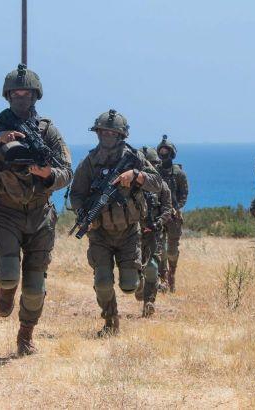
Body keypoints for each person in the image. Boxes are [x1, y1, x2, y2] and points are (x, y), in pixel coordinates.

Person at [0, 64, 73, 355]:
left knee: (35, 286)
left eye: (27, 92)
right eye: (16, 93)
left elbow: (66, 172)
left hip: (40, 213)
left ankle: (25, 336)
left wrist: (48, 175)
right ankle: (7, 289)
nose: (22, 97)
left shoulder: (48, 131)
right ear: (8, 95)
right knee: (9, 274)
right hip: (6, 211)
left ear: (36, 95)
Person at [69, 109, 163, 336]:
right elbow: (76, 194)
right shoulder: (90, 162)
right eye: (104, 132)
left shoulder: (135, 158)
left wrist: (136, 176)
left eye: (113, 133)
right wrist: (83, 215)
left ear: (121, 135)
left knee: (129, 285)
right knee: (102, 282)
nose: (108, 136)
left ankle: (140, 282)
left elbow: (157, 183)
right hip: (100, 233)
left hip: (129, 231)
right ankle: (111, 323)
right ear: (98, 133)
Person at [134, 147, 172, 317]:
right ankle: (139, 287)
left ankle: (149, 302)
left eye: (155, 164)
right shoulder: (133, 185)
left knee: (152, 267)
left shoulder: (162, 186)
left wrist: (157, 223)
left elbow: (167, 209)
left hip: (154, 233)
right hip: (133, 234)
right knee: (133, 268)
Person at [155, 135, 188, 293]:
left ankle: (172, 276)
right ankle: (163, 279)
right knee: (159, 249)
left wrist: (177, 208)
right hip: (159, 215)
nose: (163, 154)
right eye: (160, 151)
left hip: (174, 217)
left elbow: (184, 194)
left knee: (172, 250)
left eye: (166, 151)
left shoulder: (179, 173)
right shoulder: (154, 172)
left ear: (172, 153)